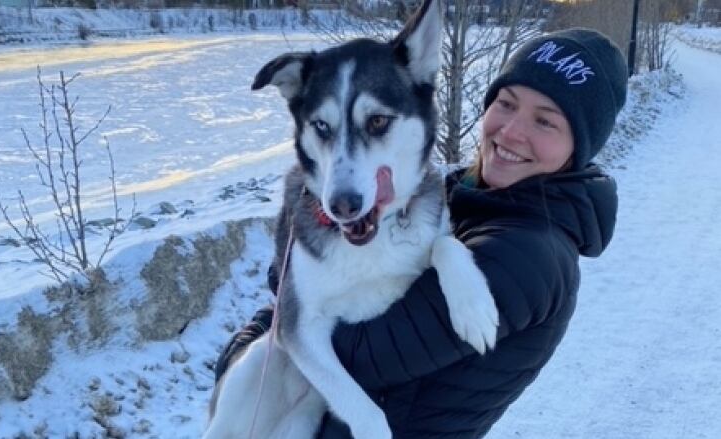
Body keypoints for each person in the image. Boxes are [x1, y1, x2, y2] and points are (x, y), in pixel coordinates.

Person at [214, 28, 628, 438]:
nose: (512, 131)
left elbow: (358, 351)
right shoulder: (459, 195)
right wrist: (258, 336)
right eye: (506, 103)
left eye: (545, 122)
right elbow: (312, 298)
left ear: (578, 147)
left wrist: (267, 322)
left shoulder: (530, 256)